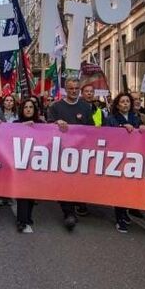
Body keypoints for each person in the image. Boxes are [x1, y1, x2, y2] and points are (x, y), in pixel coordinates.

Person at [47, 77, 94, 231]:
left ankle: (75, 206)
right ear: (65, 90)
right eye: (71, 88)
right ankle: (69, 213)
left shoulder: (86, 107)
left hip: (80, 152)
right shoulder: (56, 107)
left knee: (76, 182)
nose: (74, 91)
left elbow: (91, 129)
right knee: (64, 182)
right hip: (62, 152)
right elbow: (47, 127)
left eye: (76, 88)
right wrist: (56, 123)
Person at [103, 93, 145, 233]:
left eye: (128, 101)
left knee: (130, 189)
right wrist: (122, 126)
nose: (125, 104)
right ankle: (120, 218)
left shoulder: (136, 118)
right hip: (118, 158)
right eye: (122, 101)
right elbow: (106, 135)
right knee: (120, 189)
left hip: (133, 157)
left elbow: (142, 132)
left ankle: (125, 212)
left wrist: (143, 127)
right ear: (117, 105)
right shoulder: (111, 119)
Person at [13, 98, 42, 233]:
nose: (28, 109)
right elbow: (7, 133)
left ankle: (27, 217)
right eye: (26, 107)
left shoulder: (41, 124)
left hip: (36, 163)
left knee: (32, 192)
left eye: (31, 107)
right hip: (21, 163)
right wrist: (22, 126)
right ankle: (21, 220)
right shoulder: (16, 123)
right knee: (22, 192)